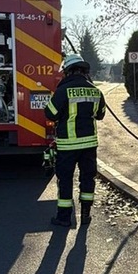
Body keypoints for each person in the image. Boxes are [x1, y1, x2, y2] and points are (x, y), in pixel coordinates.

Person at [44, 54, 106, 226]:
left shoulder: (63, 90)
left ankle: (64, 218)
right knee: (87, 178)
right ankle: (86, 214)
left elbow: (50, 113)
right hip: (89, 145)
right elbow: (100, 115)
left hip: (67, 146)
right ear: (84, 71)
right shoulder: (96, 91)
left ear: (68, 71)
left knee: (65, 180)